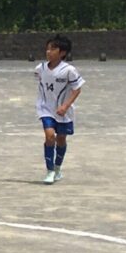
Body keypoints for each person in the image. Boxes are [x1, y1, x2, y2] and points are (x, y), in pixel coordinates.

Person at [34, 34, 85, 184]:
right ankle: (49, 171)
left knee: (61, 139)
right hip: (45, 109)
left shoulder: (69, 70)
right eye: (47, 48)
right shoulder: (40, 69)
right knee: (50, 136)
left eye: (53, 49)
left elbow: (77, 89)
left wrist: (65, 106)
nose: (48, 52)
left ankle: (57, 168)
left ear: (62, 52)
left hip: (63, 112)